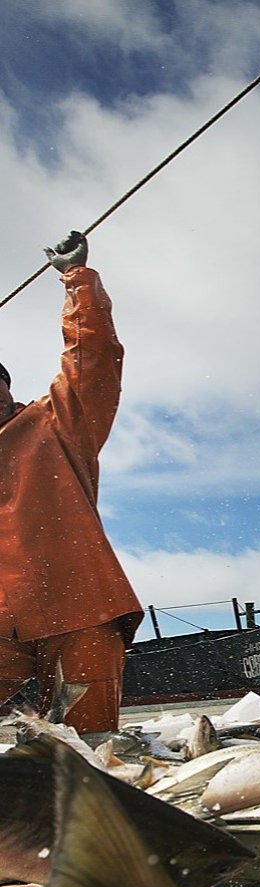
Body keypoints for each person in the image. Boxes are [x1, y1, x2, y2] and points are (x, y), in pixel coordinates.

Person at [0, 230, 142, 734]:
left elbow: (94, 358)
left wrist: (76, 280)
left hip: (79, 608)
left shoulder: (55, 421)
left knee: (91, 749)